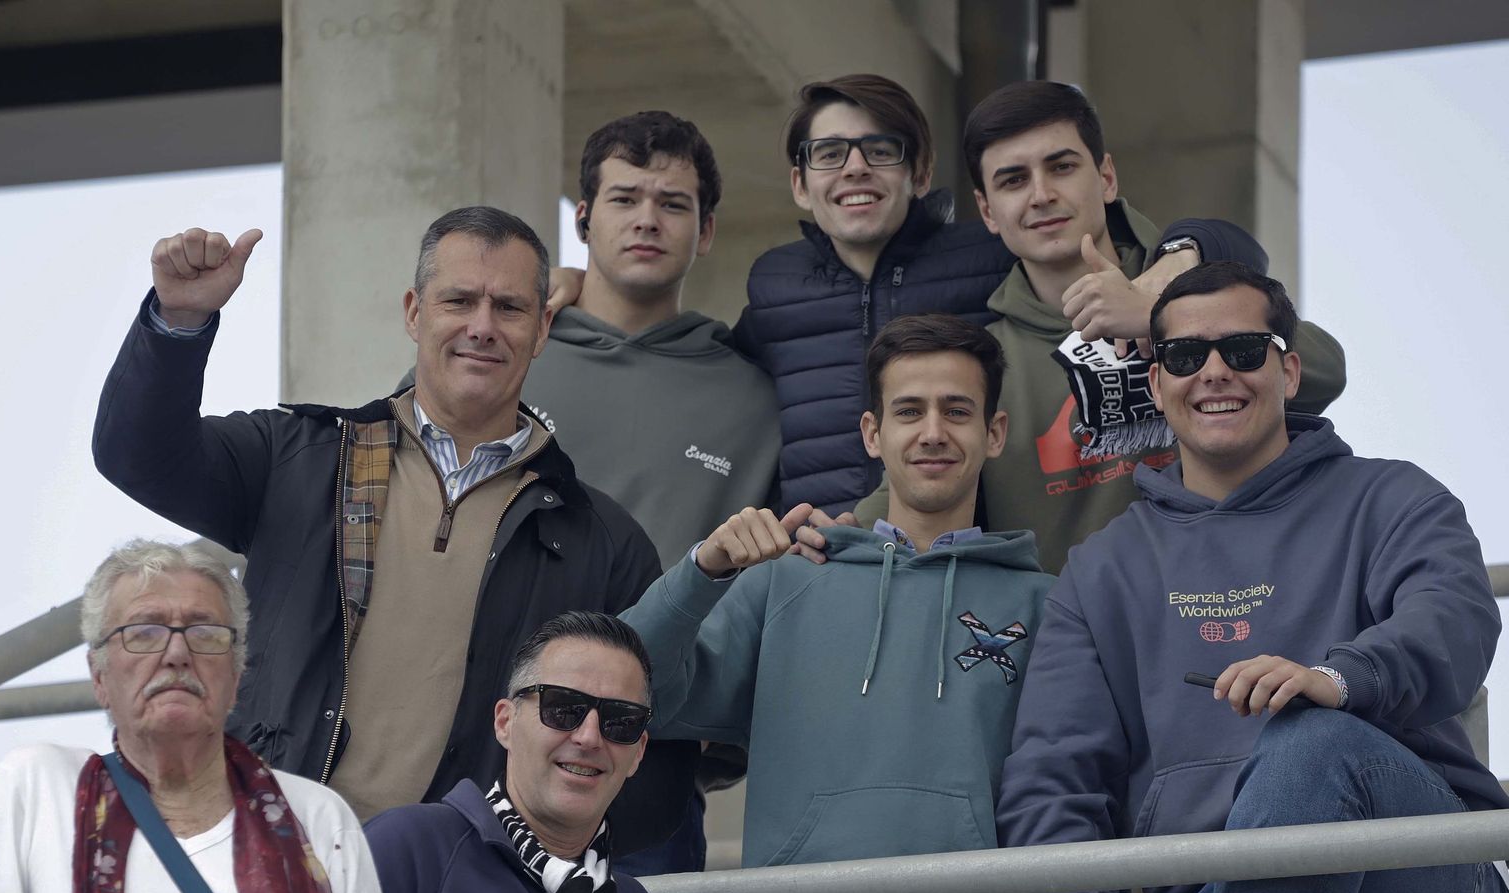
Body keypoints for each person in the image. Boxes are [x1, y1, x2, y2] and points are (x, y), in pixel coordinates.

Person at [93, 206, 694, 851]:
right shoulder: (300, 457)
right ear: (414, 311)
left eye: (510, 308)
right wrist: (177, 323)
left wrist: (535, 856)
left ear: (544, 326)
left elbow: (641, 741)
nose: (482, 327)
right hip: (275, 852)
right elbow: (140, 455)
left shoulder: (601, 537)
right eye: (458, 300)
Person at [997, 263, 1509, 893]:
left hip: (1416, 870)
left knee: (1310, 744)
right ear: (1156, 383)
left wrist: (1339, 678)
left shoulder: (1392, 497)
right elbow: (1055, 769)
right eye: (1183, 355)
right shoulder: (1104, 568)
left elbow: (1455, 616)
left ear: (1290, 371)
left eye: (1242, 350)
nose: (1214, 372)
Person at [623, 314, 1056, 893]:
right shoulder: (785, 581)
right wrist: (702, 572)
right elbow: (634, 692)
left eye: (957, 410)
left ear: (993, 432)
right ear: (872, 434)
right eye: (909, 410)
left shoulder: (1044, 603)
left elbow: (1068, 783)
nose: (933, 431)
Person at [855, 80, 1345, 572]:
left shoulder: (1200, 290)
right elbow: (902, 491)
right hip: (1073, 635)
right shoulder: (985, 360)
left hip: (1239, 610)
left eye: (1061, 167)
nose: (1042, 195)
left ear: (1107, 177)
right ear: (987, 211)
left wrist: (1163, 318)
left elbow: (1325, 372)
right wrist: (821, 535)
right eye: (1013, 181)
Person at [731, 73, 1271, 516]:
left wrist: (1177, 271)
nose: (854, 167)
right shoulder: (775, 288)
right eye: (828, 153)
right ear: (800, 183)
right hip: (833, 554)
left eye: (880, 150)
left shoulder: (987, 261)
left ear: (920, 173)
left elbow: (1231, 256)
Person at [0, 540, 391, 893]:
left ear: (238, 673)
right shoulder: (38, 789)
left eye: (205, 633)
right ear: (99, 675)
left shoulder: (319, 819)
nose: (177, 653)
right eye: (143, 632)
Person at [520, 109, 780, 567]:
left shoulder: (754, 400)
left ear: (706, 231)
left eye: (673, 204)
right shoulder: (512, 353)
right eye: (624, 199)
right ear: (583, 221)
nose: (647, 220)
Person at [365, 611, 676, 893]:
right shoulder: (413, 846)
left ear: (638, 752)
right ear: (505, 723)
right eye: (563, 708)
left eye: (620, 720)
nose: (589, 737)